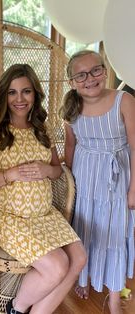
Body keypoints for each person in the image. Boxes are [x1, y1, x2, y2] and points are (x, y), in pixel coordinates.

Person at [0, 64, 86, 314]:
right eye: (12, 92)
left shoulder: (42, 130)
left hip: (44, 215)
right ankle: (17, 308)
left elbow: (57, 170)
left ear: (35, 94)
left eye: (26, 91)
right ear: (4, 96)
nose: (19, 99)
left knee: (79, 259)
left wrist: (47, 171)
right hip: (6, 215)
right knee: (56, 266)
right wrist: (8, 175)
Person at [58, 50, 135, 314]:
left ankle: (114, 297)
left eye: (96, 71)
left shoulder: (123, 100)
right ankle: (85, 277)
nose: (90, 79)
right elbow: (70, 146)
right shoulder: (71, 107)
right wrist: (69, 186)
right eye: (81, 75)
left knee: (115, 234)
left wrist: (134, 189)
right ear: (72, 82)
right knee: (85, 230)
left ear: (105, 70)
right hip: (85, 179)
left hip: (117, 180)